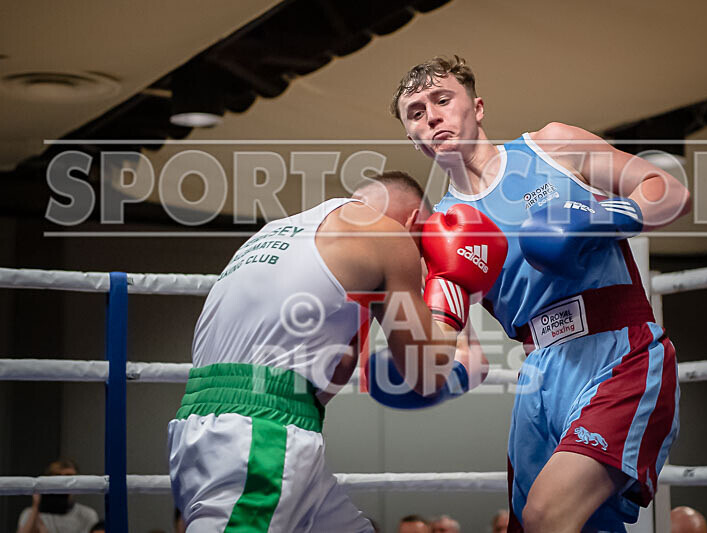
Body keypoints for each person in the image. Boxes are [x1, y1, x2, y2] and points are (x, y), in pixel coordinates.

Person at [390, 56, 690, 532]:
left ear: (478, 107)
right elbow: (453, 346)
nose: (431, 115)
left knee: (546, 515)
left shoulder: (551, 147)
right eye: (416, 112)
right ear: (412, 137)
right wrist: (416, 358)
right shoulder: (440, 231)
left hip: (619, 350)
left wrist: (600, 218)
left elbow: (666, 189)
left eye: (442, 100)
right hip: (539, 375)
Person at [168, 172, 506, 531]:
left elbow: (334, 374)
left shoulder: (279, 231)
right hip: (259, 438)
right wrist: (450, 284)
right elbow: (425, 373)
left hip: (215, 420)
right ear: (413, 222)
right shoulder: (390, 236)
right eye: (422, 246)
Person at [16, 459, 99, 533]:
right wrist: (36, 505)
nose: (63, 483)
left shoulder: (87, 515)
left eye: (69, 477)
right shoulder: (31, 514)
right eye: (57, 477)